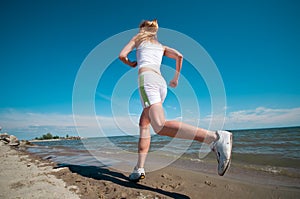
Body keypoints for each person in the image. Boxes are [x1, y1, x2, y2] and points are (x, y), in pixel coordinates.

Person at [119, 19, 232, 181]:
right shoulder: (161, 47)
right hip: (161, 84)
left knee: (159, 126)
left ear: (142, 30)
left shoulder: (138, 39)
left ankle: (214, 138)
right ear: (155, 32)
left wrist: (130, 63)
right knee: (144, 124)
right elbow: (179, 56)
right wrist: (176, 78)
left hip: (148, 81)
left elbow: (122, 55)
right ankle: (139, 168)